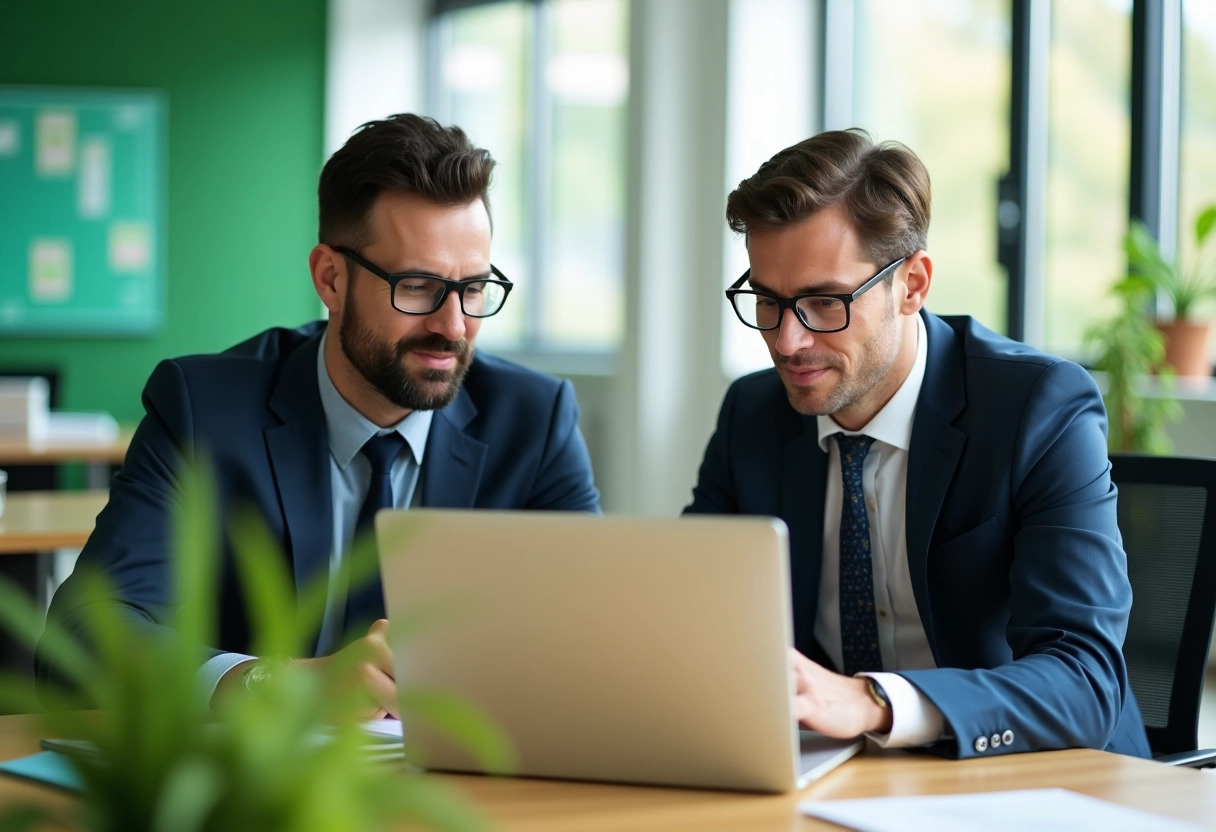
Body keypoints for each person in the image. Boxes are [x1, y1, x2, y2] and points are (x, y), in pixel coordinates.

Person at [39, 114, 600, 716]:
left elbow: (599, 639)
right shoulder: (204, 408)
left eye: (474, 287)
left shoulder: (534, 422)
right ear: (330, 279)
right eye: (417, 287)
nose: (454, 325)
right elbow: (83, 636)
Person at [685, 129, 1150, 759]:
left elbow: (1085, 682)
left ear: (912, 284)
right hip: (839, 774)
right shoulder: (753, 413)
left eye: (825, 303)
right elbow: (693, 621)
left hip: (1034, 779)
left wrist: (873, 702)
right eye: (767, 300)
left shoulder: (1036, 408)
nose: (787, 341)